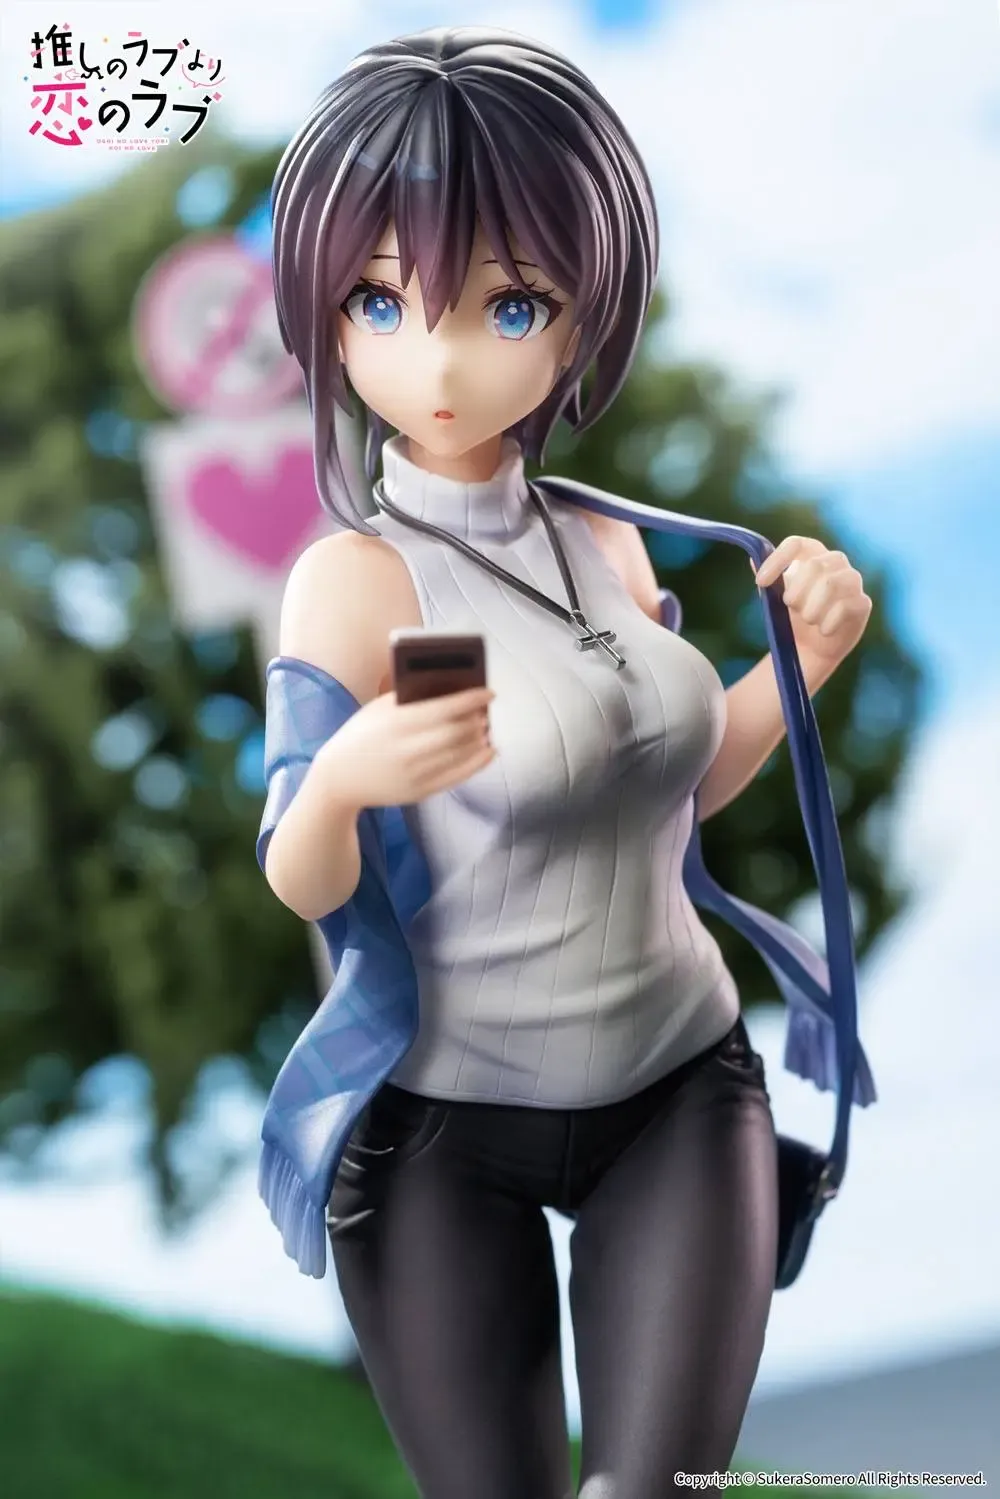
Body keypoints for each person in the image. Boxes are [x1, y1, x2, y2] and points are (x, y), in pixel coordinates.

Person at [258, 26, 873, 1498]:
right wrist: (346, 779)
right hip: (441, 1126)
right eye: (381, 302)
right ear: (325, 312)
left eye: (510, 303)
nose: (442, 360)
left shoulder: (608, 539)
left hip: (680, 1083)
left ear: (583, 306)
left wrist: (799, 667)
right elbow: (299, 872)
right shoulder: (355, 584)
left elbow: (669, 794)